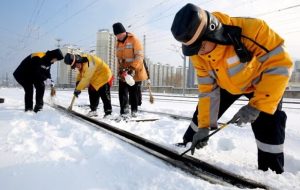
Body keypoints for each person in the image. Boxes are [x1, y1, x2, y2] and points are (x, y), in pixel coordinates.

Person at [171, 3, 293, 174]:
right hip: (226, 84)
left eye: (201, 47)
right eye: (194, 50)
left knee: (268, 123)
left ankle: (270, 172)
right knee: (200, 118)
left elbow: (281, 63)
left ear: (213, 32)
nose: (199, 54)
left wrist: (257, 105)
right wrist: (204, 126)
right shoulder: (197, 55)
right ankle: (188, 144)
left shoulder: (251, 30)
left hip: (260, 83)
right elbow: (207, 90)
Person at [112, 22, 148, 117]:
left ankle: (134, 111)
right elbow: (119, 59)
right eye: (116, 35)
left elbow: (139, 56)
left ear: (124, 32)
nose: (118, 37)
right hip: (124, 71)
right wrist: (120, 70)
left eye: (119, 34)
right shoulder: (118, 43)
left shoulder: (134, 40)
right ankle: (124, 111)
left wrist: (132, 68)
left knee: (133, 92)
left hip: (134, 70)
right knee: (122, 91)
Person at [64, 53, 113, 117]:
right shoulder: (81, 62)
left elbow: (86, 78)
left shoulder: (89, 63)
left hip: (104, 76)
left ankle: (108, 113)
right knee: (92, 92)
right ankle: (93, 111)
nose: (76, 67)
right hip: (95, 78)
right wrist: (77, 83)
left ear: (78, 61)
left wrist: (78, 89)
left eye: (75, 65)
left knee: (104, 94)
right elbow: (80, 74)